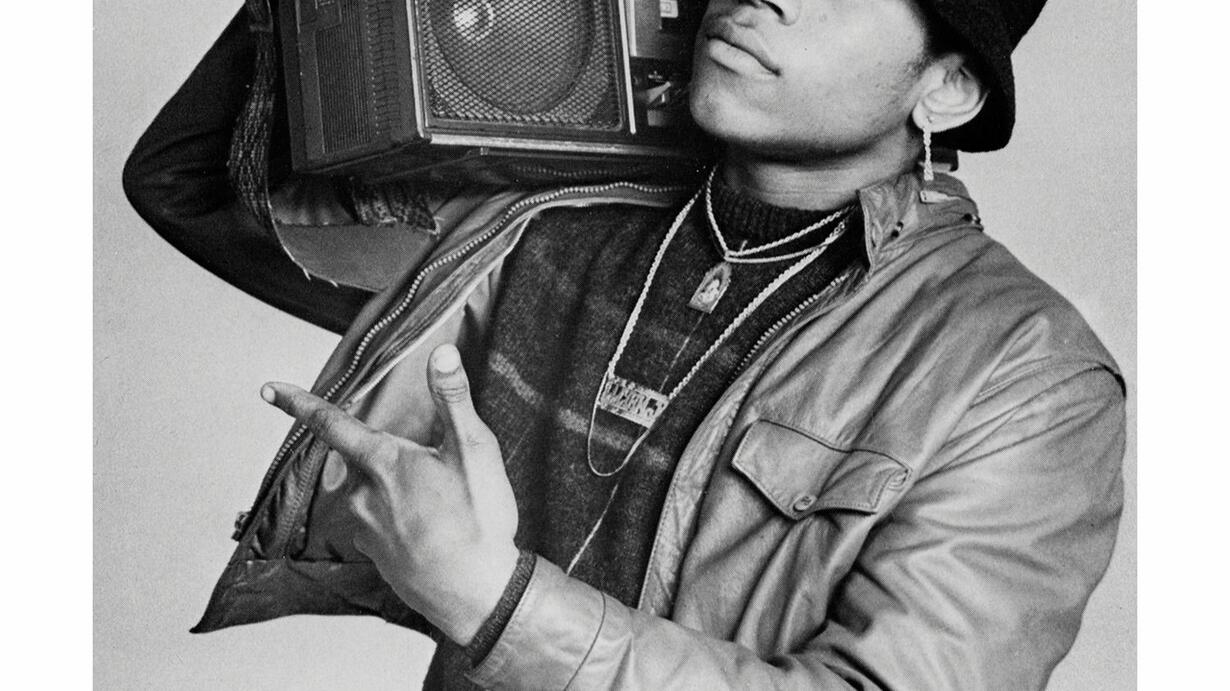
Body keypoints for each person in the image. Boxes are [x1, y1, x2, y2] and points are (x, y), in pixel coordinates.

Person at [123, 0, 1125, 688]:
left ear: (946, 89)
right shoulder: (549, 215)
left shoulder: (1022, 371)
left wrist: (496, 602)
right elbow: (197, 183)